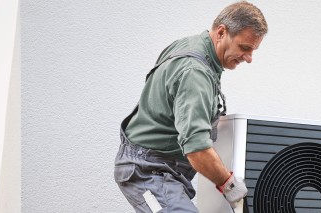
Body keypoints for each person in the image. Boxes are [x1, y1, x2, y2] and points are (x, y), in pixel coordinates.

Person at [113, 2, 267, 212]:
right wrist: (230, 185)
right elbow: (197, 149)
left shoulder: (190, 47)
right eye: (245, 48)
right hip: (147, 172)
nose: (249, 58)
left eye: (253, 50)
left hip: (162, 169)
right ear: (221, 32)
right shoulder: (195, 72)